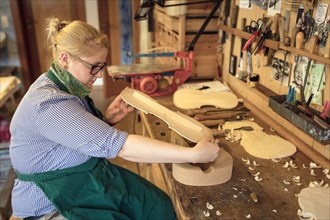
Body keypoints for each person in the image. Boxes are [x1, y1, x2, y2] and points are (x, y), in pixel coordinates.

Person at [9, 17, 220, 220]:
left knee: (159, 207)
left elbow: (70, 136)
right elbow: (119, 146)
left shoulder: (63, 85)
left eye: (101, 66)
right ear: (65, 59)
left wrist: (106, 120)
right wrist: (192, 154)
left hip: (83, 178)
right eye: (94, 66)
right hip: (51, 200)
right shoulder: (48, 104)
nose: (100, 75)